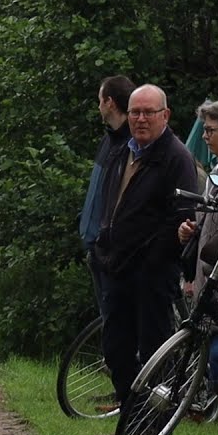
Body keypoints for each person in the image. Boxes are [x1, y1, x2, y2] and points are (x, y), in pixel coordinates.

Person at [92, 84, 198, 424]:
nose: (140, 119)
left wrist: (152, 261)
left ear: (164, 115)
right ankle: (129, 419)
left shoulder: (176, 158)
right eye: (135, 112)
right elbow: (111, 203)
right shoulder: (123, 150)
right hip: (116, 267)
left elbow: (182, 217)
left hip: (151, 274)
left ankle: (150, 427)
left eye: (148, 112)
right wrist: (104, 244)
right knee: (116, 348)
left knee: (154, 351)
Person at [176, 97, 218, 435]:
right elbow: (205, 217)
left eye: (211, 130)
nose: (206, 136)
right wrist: (188, 230)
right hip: (210, 278)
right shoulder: (217, 172)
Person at [80, 75, 134, 320]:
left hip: (111, 251)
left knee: (117, 319)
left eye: (99, 100)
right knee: (107, 319)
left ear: (110, 102)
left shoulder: (131, 145)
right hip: (94, 244)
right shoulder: (108, 139)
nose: (98, 106)